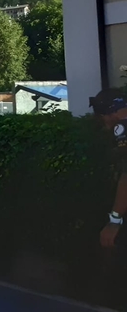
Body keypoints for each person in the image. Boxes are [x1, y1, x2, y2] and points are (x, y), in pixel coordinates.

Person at [91, 88, 127, 309]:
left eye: (101, 115)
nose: (103, 122)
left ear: (110, 112)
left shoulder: (123, 128)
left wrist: (114, 221)